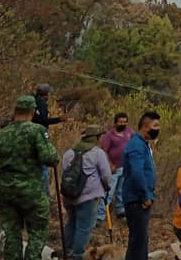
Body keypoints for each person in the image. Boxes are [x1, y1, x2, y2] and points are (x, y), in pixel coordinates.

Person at [0, 95, 58, 260]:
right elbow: (49, 158)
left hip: (8, 192)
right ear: (32, 112)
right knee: (37, 233)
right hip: (33, 193)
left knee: (11, 234)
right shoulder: (37, 131)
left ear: (15, 111)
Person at [61, 125, 112, 260]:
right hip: (88, 197)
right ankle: (78, 256)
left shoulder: (69, 153)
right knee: (84, 228)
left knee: (71, 222)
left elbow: (64, 174)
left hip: (69, 196)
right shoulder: (97, 153)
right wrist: (107, 187)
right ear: (96, 138)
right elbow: (106, 175)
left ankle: (67, 252)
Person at [120, 110, 160, 260]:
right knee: (138, 240)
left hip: (140, 198)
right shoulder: (136, 145)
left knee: (140, 240)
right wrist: (145, 196)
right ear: (145, 127)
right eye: (155, 125)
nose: (157, 129)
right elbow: (137, 173)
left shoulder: (143, 145)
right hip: (137, 200)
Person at [96, 112, 133, 225]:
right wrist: (109, 164)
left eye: (124, 122)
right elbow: (104, 151)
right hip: (114, 168)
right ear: (115, 122)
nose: (122, 124)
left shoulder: (129, 132)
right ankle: (100, 215)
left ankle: (120, 210)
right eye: (120, 122)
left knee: (122, 190)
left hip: (126, 166)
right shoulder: (109, 135)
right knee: (109, 192)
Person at [32, 83, 64, 191]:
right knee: (44, 164)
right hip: (40, 135)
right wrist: (59, 119)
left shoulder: (33, 101)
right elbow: (42, 120)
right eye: (48, 93)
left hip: (32, 135)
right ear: (45, 94)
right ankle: (45, 192)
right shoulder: (41, 103)